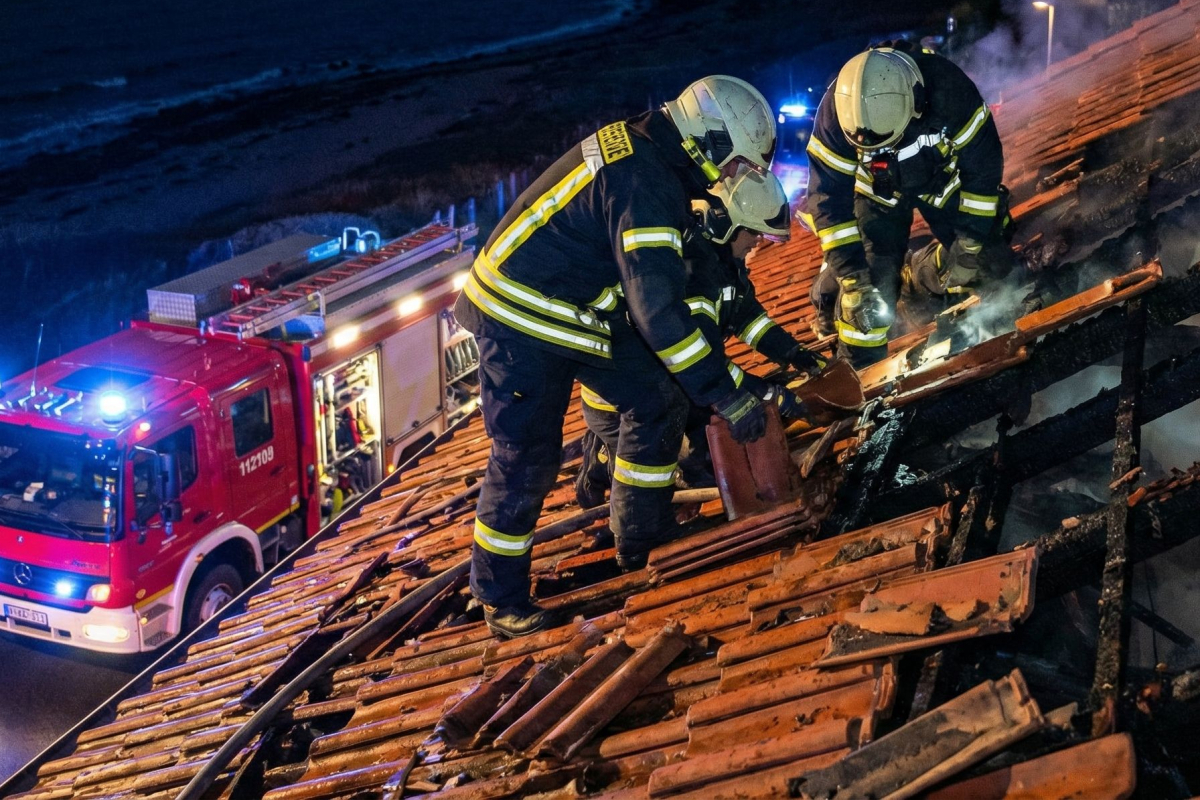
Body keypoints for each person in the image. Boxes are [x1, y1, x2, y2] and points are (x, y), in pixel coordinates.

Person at [453, 76, 778, 638]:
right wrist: (725, 393)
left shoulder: (650, 156)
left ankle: (640, 539)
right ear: (714, 142)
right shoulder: (646, 181)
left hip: (572, 310)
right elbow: (659, 315)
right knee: (526, 454)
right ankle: (500, 600)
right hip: (519, 316)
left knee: (656, 397)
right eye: (735, 167)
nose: (730, 181)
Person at [577, 167, 825, 506]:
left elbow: (748, 319)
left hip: (680, 380)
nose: (758, 242)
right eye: (754, 233)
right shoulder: (691, 271)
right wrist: (768, 392)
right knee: (696, 467)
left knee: (716, 421)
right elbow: (705, 363)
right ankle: (604, 462)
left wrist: (795, 354)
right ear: (727, 224)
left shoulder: (724, 264)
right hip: (630, 399)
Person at [804, 42, 1013, 366]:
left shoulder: (948, 89)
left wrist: (969, 244)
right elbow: (828, 202)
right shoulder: (834, 117)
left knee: (992, 262)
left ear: (916, 102)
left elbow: (982, 173)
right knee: (869, 297)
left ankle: (1004, 323)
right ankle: (859, 374)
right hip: (876, 197)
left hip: (942, 183)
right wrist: (851, 278)